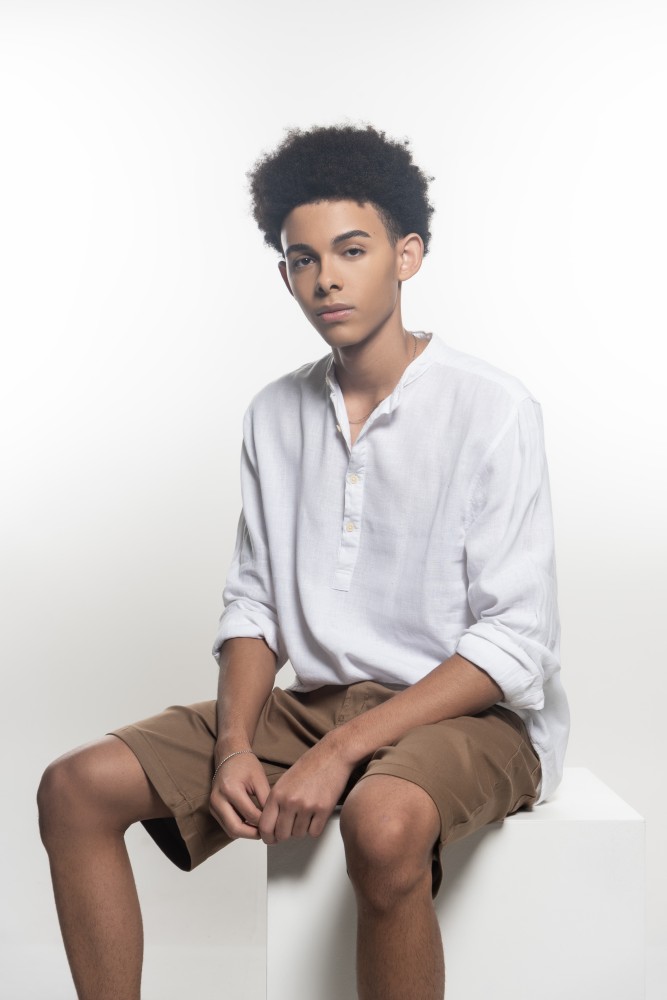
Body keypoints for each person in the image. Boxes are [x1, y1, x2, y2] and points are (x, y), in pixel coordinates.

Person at [37, 123, 569, 1000]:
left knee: (383, 824)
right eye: (301, 259)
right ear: (284, 274)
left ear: (406, 255)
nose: (325, 278)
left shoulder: (491, 408)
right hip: (317, 704)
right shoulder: (272, 413)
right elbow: (256, 603)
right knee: (74, 788)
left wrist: (345, 751)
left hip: (470, 716)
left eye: (351, 251)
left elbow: (514, 640)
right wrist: (233, 747)